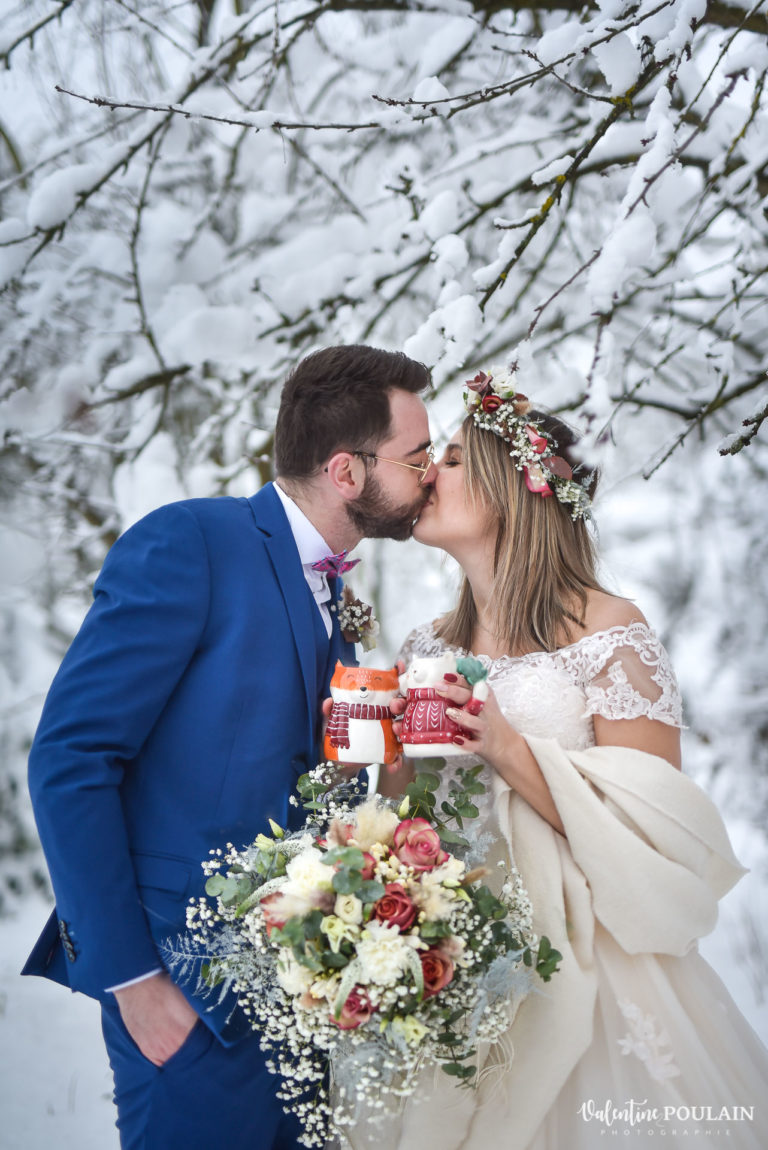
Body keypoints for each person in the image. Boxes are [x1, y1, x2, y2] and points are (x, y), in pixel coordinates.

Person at [22, 344, 437, 1150]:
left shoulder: (336, 591)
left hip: (308, 1002)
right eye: (416, 455)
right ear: (346, 472)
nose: (429, 472)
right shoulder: (190, 542)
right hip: (188, 1004)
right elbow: (70, 759)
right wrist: (135, 984)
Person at [373, 366, 768, 1149]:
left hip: (591, 968)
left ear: (510, 489)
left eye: (451, 459)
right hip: (461, 956)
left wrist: (507, 748)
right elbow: (413, 820)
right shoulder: (425, 645)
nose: (427, 474)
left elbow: (651, 835)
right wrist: (384, 755)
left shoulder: (610, 632)